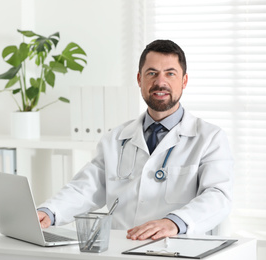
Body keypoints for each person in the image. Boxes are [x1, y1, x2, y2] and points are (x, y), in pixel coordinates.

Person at [37, 39, 234, 241]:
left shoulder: (210, 138)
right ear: (139, 79)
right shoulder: (115, 138)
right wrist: (49, 212)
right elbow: (85, 188)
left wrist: (174, 222)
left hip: (177, 247)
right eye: (152, 73)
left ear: (184, 81)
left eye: (170, 73)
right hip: (120, 249)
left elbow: (218, 196)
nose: (160, 82)